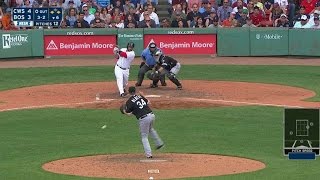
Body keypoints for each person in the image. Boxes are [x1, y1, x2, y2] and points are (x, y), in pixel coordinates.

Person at [122, 86, 164, 158]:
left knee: (144, 136)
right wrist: (142, 95)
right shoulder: (140, 96)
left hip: (144, 118)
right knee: (150, 129)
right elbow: (148, 102)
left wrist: (124, 111)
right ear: (135, 91)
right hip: (152, 115)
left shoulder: (129, 101)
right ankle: (159, 143)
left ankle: (149, 154)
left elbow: (128, 113)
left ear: (129, 92)